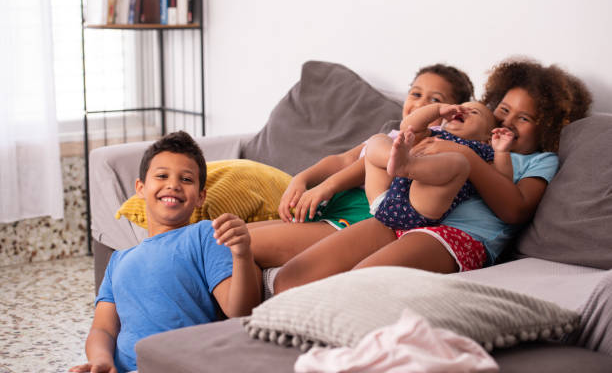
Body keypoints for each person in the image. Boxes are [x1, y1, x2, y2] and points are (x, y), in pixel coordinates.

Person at [273, 58, 592, 294]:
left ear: (548, 126)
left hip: (455, 236)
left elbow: (515, 209)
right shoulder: (462, 136)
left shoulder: (538, 161)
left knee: (357, 285)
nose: (507, 121)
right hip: (400, 215)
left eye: (524, 118)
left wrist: (468, 157)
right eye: (503, 109)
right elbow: (403, 132)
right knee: (292, 278)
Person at [69, 131, 261, 373]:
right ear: (140, 188)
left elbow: (240, 311)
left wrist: (242, 255)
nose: (173, 185)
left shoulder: (204, 235)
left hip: (183, 364)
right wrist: (101, 360)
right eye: (161, 176)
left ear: (201, 196)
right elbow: (102, 329)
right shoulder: (118, 260)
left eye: (187, 180)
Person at [249, 64, 476, 269]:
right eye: (416, 94)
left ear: (453, 114)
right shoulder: (391, 133)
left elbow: (366, 168)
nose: (420, 103)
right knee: (224, 237)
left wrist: (327, 186)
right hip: (333, 205)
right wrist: (301, 179)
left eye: (435, 100)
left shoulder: (429, 142)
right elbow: (343, 160)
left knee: (236, 244)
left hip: (361, 215)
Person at [363, 101, 514, 231]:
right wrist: (438, 109)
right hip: (383, 198)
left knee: (459, 163)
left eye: (474, 112)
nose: (462, 111)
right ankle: (396, 160)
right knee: (378, 140)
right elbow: (407, 126)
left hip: (419, 206)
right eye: (459, 107)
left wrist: (502, 151)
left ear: (487, 138)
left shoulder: (482, 151)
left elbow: (502, 180)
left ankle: (406, 165)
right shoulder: (435, 134)